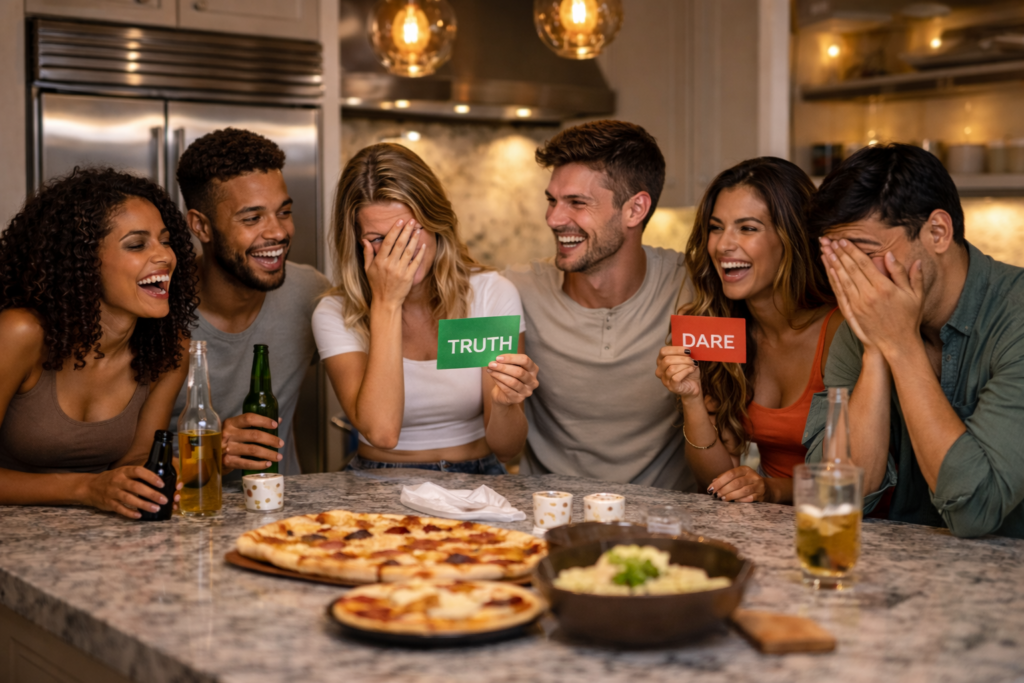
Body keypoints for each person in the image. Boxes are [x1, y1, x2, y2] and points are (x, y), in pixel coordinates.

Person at [805, 142, 1024, 539]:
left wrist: (901, 346)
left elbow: (975, 510)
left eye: (864, 254)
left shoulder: (1016, 316)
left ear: (937, 232)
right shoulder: (861, 322)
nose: (851, 277)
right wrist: (875, 350)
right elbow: (837, 497)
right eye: (838, 258)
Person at [313, 143, 539, 474]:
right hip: (379, 477)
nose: (399, 250)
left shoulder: (488, 294)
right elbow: (382, 432)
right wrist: (387, 302)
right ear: (356, 242)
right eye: (378, 238)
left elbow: (507, 449)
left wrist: (506, 404)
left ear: (435, 222)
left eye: (410, 230)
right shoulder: (335, 312)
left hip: (478, 473)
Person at [503, 120, 696, 490]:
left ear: (635, 209)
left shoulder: (693, 289)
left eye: (577, 203)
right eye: (552, 200)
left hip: (661, 524)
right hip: (545, 517)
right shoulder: (513, 291)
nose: (554, 219)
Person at [0, 168, 198, 518]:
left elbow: (137, 459)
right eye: (137, 245)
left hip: (100, 538)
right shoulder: (21, 333)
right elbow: (94, 488)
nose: (165, 257)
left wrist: (159, 476)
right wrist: (86, 488)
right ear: (82, 260)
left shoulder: (171, 348)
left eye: (165, 240)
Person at [655, 158, 841, 503]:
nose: (723, 245)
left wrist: (770, 488)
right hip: (768, 528)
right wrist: (692, 398)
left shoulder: (841, 331)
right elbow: (717, 482)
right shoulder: (718, 328)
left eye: (748, 228)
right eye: (716, 227)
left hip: (853, 530)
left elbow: (855, 475)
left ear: (792, 236)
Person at [171, 128, 330, 477]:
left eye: (283, 212)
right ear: (201, 226)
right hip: (182, 515)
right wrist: (208, 447)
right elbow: (116, 460)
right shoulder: (156, 310)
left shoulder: (311, 293)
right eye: (252, 218)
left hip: (281, 515)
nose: (277, 232)